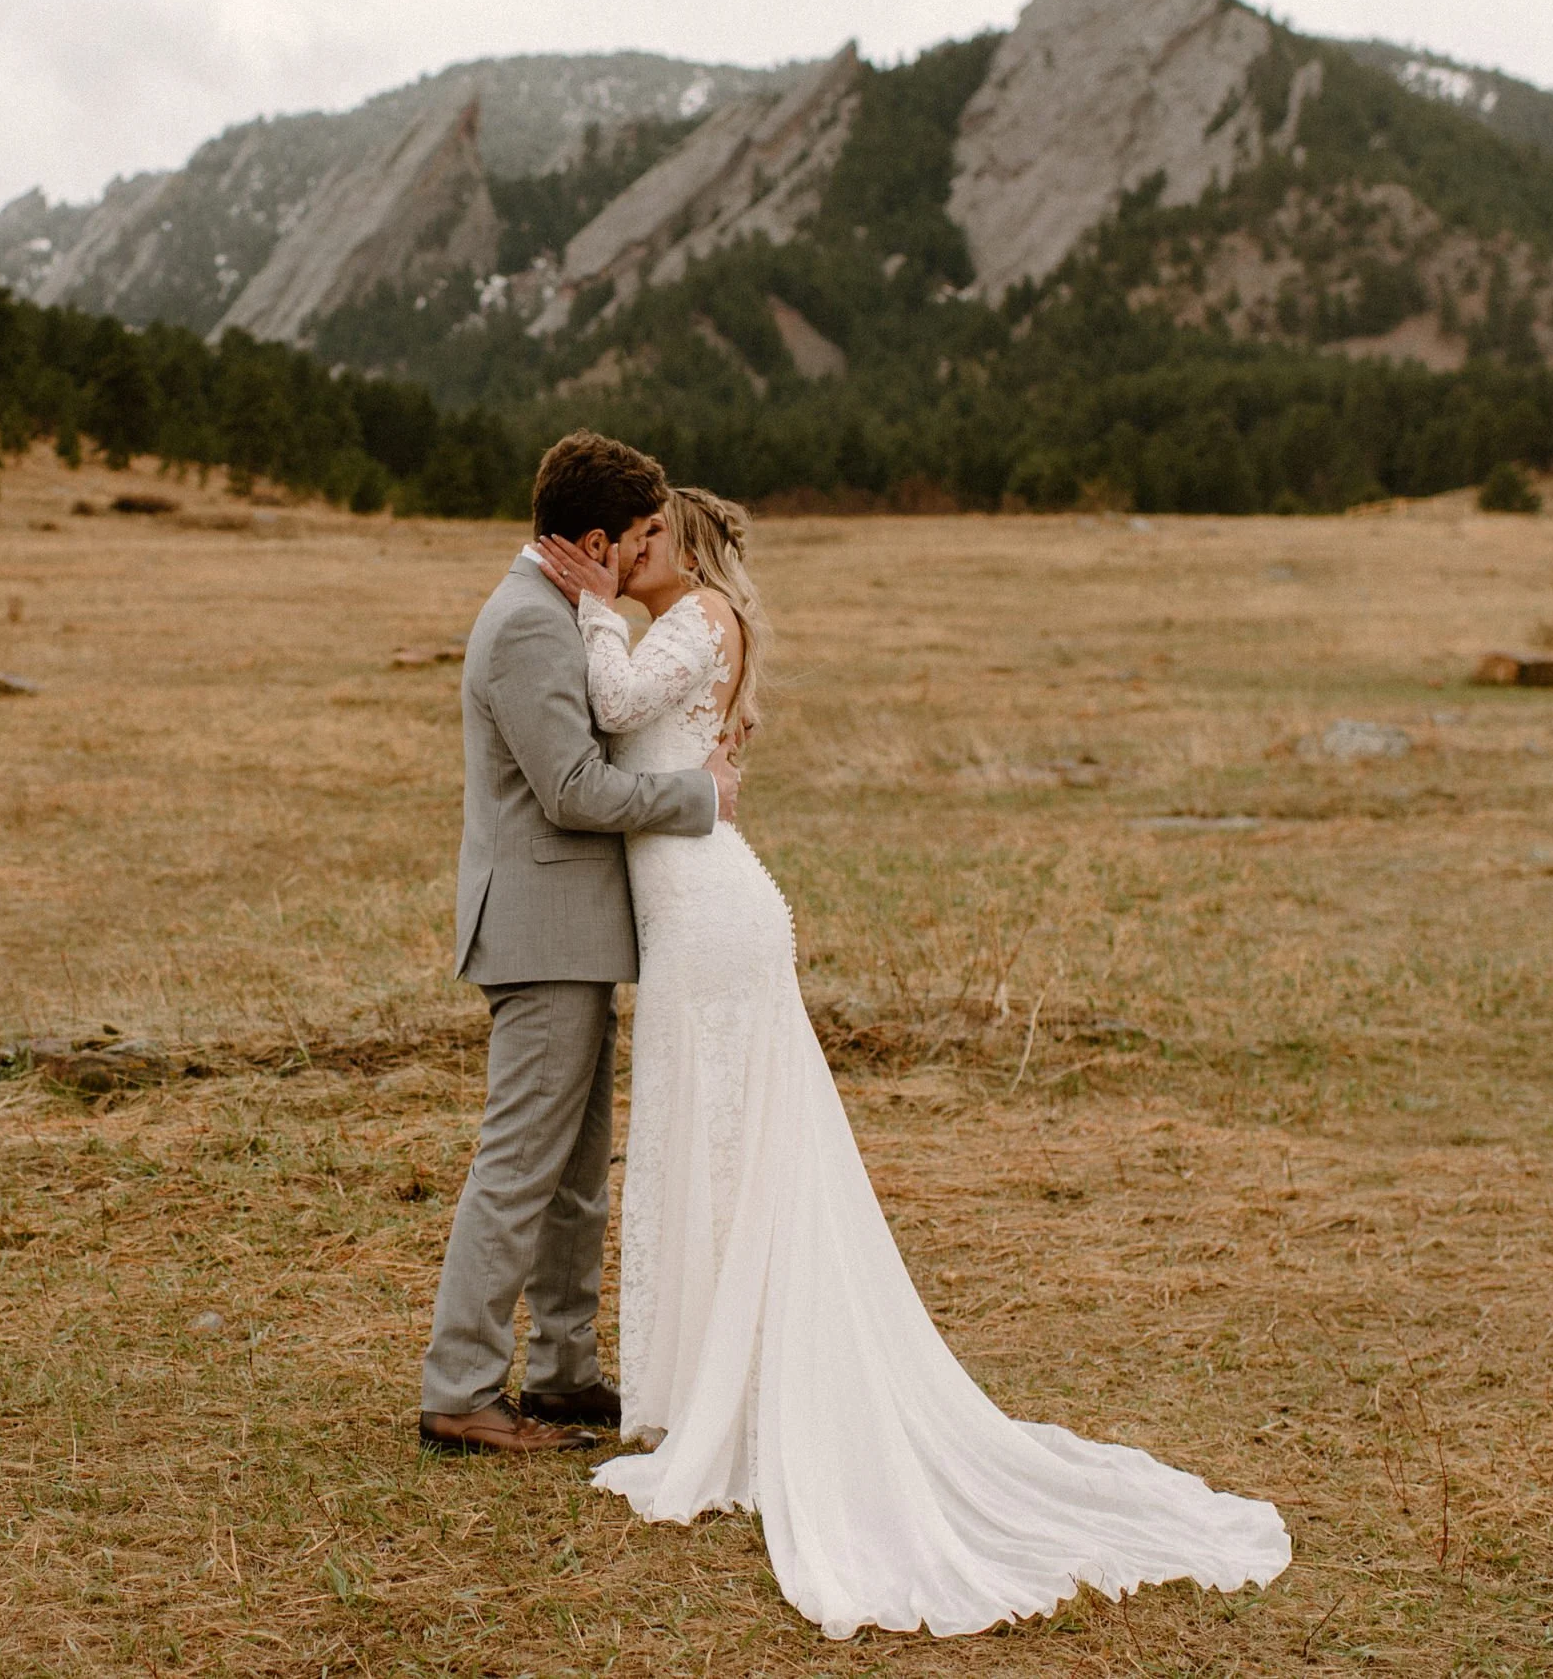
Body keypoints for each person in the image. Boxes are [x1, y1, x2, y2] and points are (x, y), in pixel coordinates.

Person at [530, 486, 1293, 1638]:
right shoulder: (686, 620)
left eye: (642, 538)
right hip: (690, 914)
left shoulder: (686, 621)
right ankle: (711, 1391)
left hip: (714, 916)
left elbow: (614, 701)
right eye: (616, 541)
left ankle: (740, 1398)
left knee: (735, 1143)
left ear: (682, 546)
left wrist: (588, 610)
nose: (622, 553)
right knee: (710, 1135)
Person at [418, 432, 741, 1456]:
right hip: (539, 934)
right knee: (520, 1163)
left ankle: (563, 1371)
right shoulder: (524, 624)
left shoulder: (558, 611)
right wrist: (701, 795)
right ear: (595, 539)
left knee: (573, 1173)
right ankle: (462, 1387)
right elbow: (570, 789)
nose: (659, 544)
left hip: (573, 932)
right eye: (642, 533)